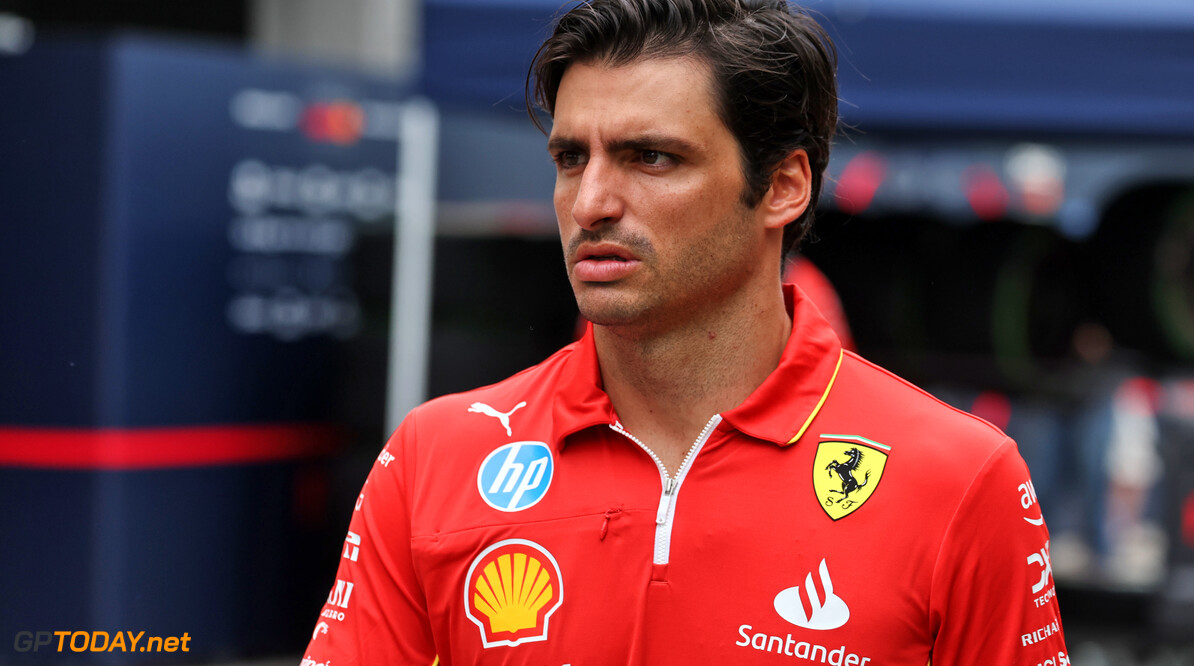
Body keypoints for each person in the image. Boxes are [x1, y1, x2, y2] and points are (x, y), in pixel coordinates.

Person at [302, 0, 1068, 663]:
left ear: (783, 187)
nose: (592, 201)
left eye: (652, 157)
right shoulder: (434, 458)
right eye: (572, 157)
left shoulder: (961, 479)